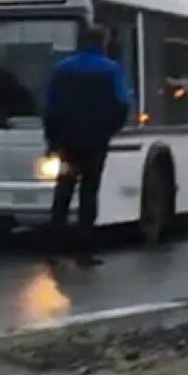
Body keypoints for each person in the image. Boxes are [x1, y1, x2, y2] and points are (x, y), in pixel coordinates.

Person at [43, 26, 133, 266]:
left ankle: (53, 247)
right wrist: (108, 131)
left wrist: (52, 140)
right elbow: (123, 103)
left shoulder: (62, 68)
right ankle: (84, 251)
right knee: (89, 193)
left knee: (63, 192)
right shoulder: (111, 69)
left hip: (67, 142)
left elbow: (50, 107)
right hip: (94, 143)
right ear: (103, 42)